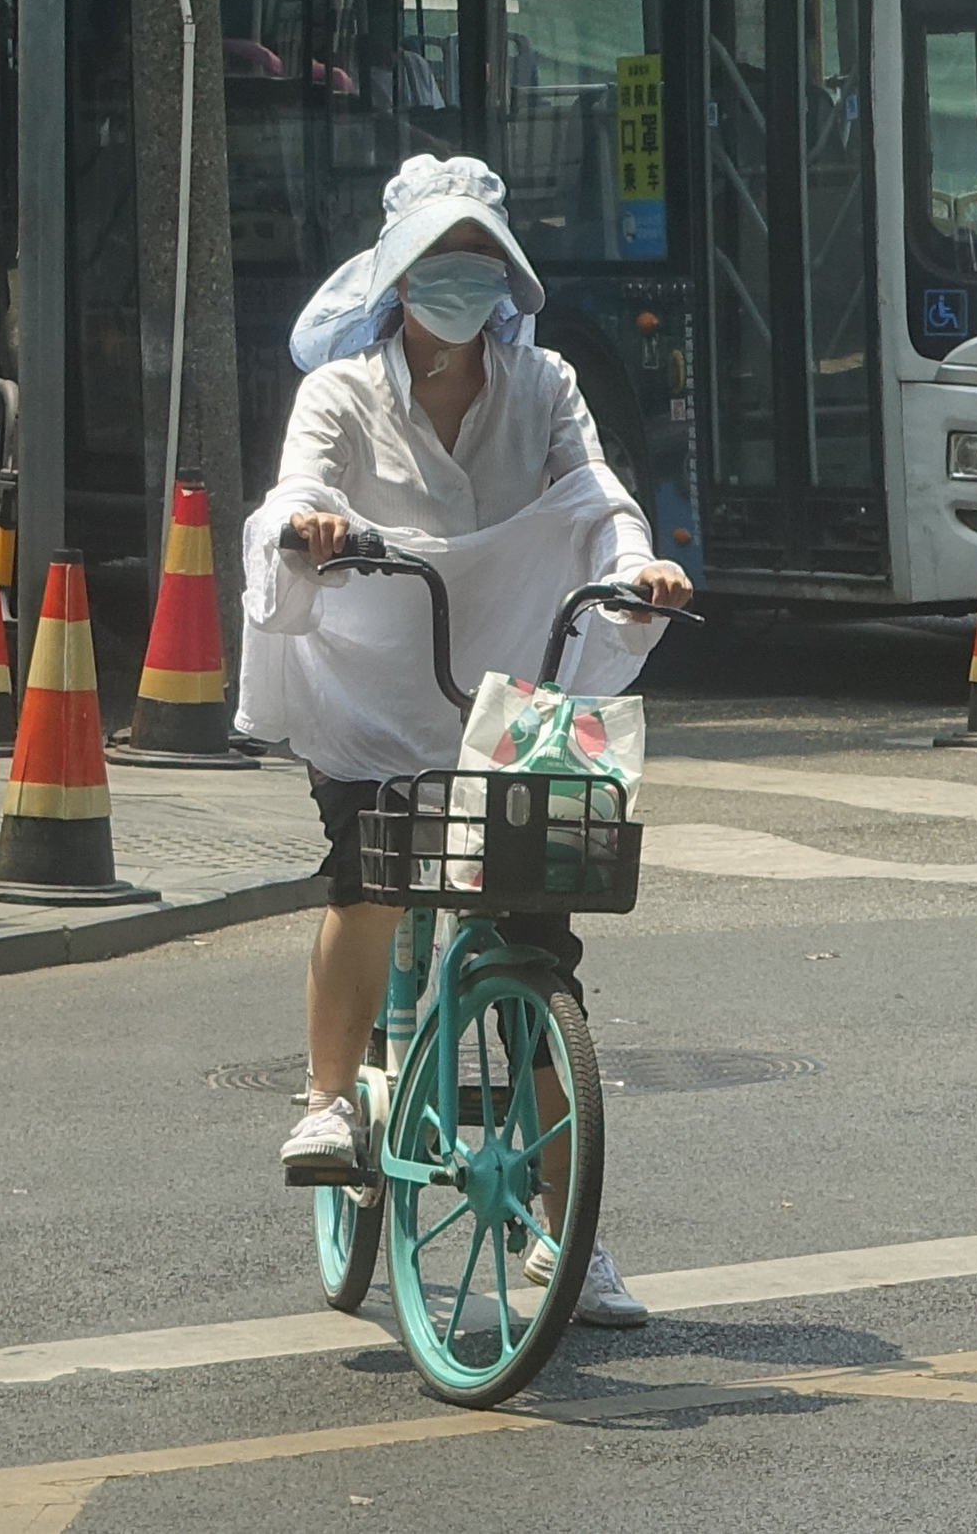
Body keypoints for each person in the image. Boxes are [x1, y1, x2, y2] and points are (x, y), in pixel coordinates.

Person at [242, 155, 690, 1329]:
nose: (463, 281)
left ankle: (569, 1231)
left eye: (482, 260)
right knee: (370, 879)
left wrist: (633, 565)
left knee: (540, 934)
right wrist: (308, 526)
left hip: (506, 695)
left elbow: (594, 494)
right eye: (443, 261)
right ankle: (331, 1098)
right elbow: (293, 492)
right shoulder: (341, 393)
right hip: (375, 692)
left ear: (509, 278)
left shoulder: (543, 381)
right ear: (399, 277)